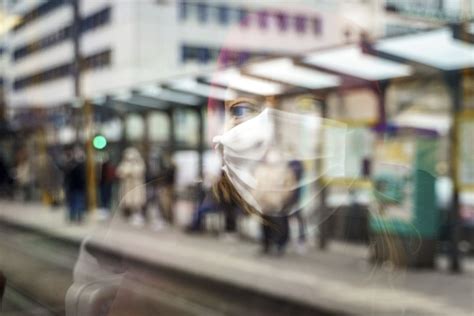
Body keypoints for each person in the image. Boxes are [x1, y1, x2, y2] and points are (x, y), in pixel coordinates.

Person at [116, 147, 147, 226]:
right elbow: (120, 172)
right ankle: (129, 214)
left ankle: (137, 215)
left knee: (137, 201)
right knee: (128, 202)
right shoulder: (124, 163)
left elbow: (139, 172)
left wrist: (131, 172)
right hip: (127, 186)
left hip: (136, 186)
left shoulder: (139, 163)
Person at [63, 147, 87, 223]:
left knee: (73, 202)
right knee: (78, 202)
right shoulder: (79, 166)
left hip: (72, 187)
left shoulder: (69, 165)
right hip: (78, 187)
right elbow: (82, 177)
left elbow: (67, 177)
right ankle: (78, 217)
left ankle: (73, 217)